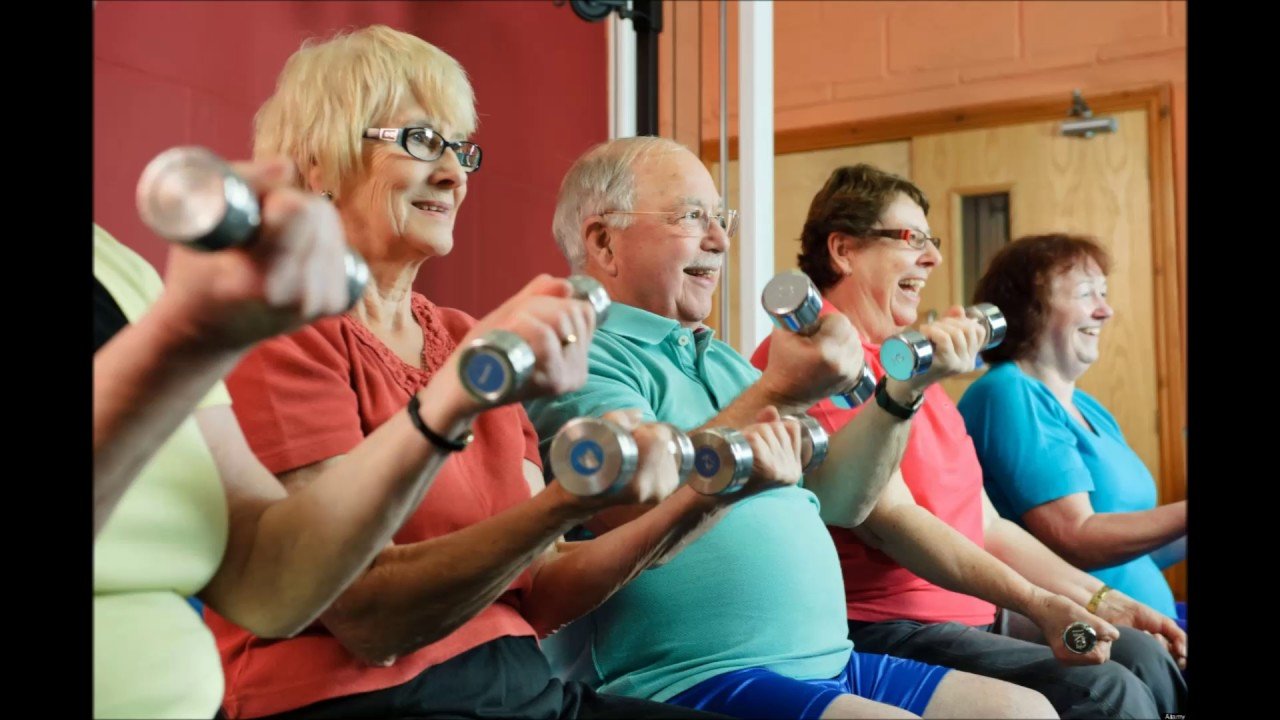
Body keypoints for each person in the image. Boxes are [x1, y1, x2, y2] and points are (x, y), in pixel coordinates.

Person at [751, 164, 1186, 718]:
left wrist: (1102, 600)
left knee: (1142, 655)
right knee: (1105, 690)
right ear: (843, 250)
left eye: (932, 241)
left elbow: (987, 525)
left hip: (970, 612)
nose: (932, 258)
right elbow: (886, 521)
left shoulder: (912, 366)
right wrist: (1041, 604)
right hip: (887, 624)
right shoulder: (818, 357)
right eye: (912, 239)